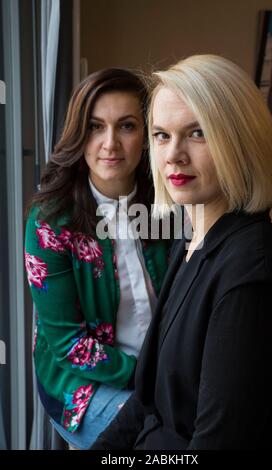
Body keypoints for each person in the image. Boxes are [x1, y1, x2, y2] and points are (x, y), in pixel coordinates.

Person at [91, 55, 272, 450]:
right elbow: (146, 401)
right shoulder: (189, 239)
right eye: (161, 135)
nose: (173, 155)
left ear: (240, 142)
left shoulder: (255, 266)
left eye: (198, 133)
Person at [24, 68, 171, 449]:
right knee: (159, 445)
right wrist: (151, 376)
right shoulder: (50, 222)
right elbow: (68, 343)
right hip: (87, 382)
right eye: (95, 126)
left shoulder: (168, 202)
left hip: (164, 370)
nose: (110, 143)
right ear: (79, 134)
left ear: (147, 135)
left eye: (126, 126)